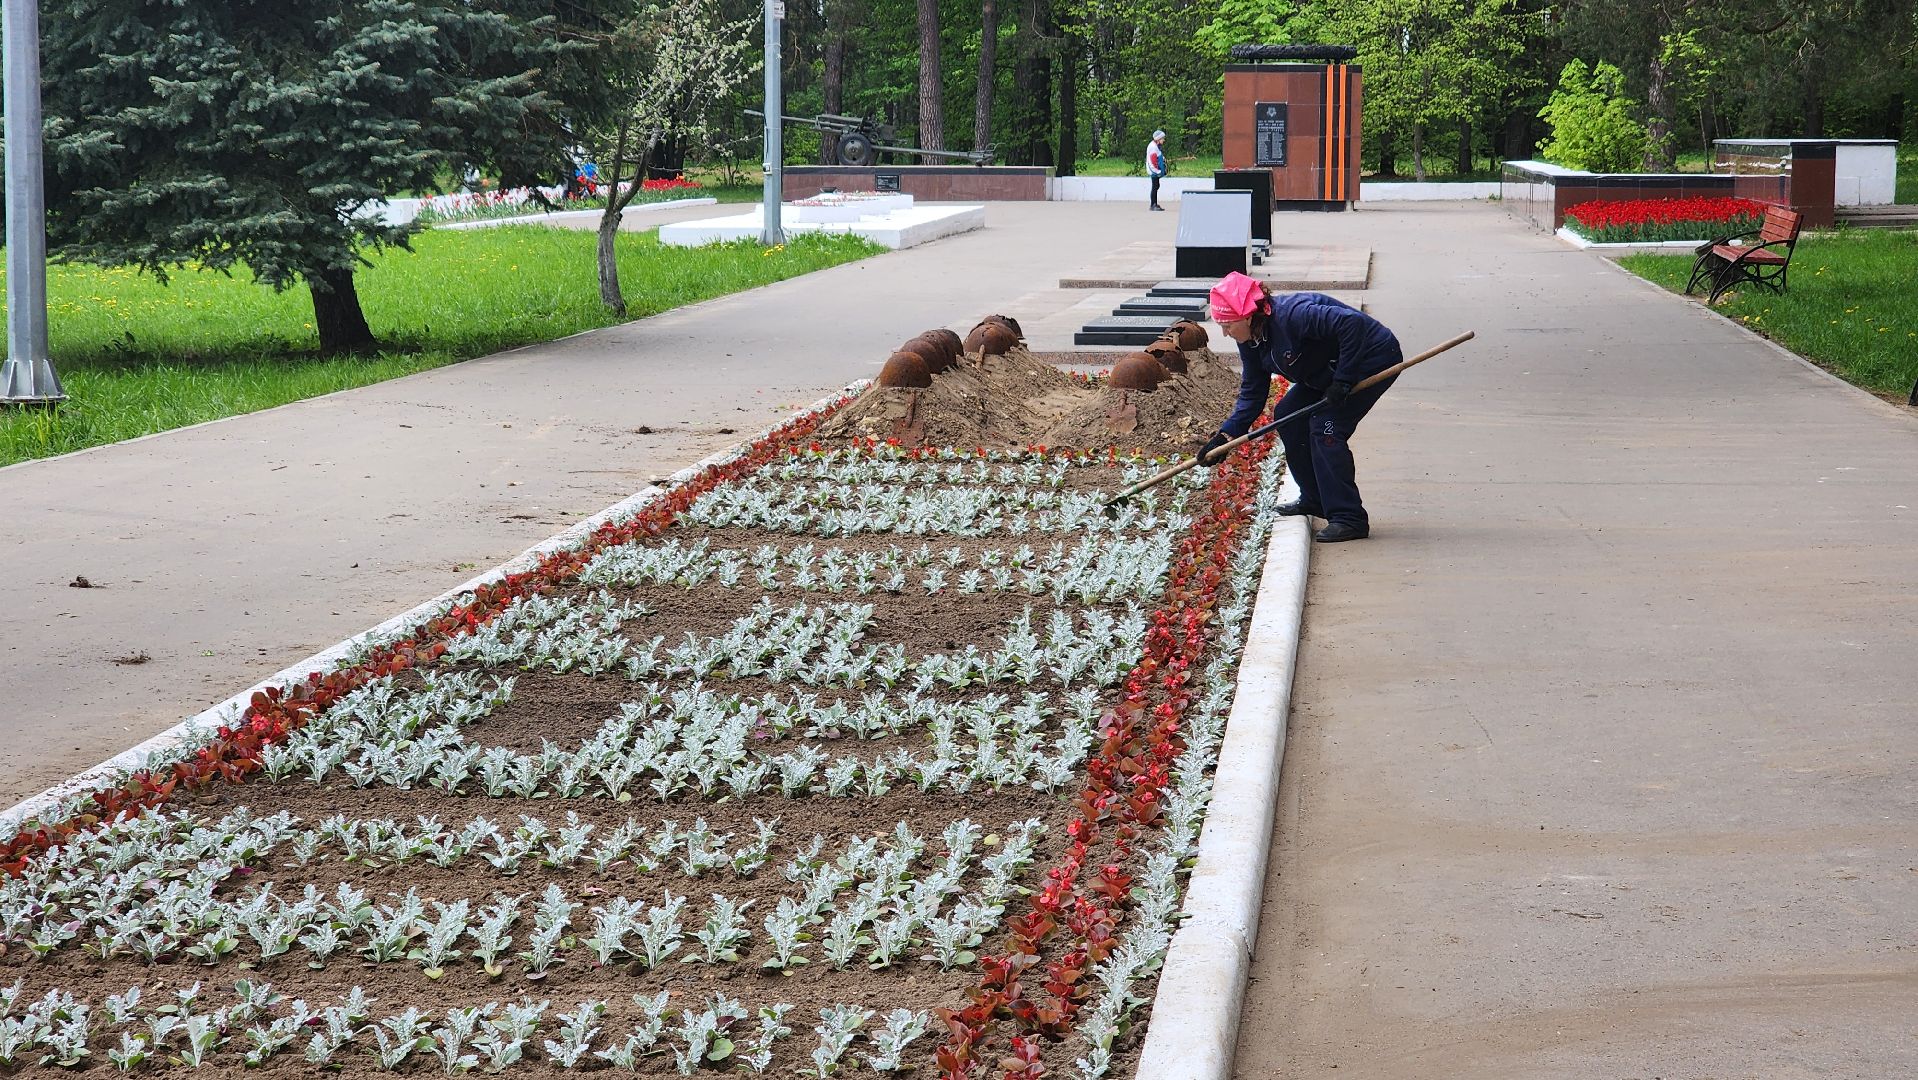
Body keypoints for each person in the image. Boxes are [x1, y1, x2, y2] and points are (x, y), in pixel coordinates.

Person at [1197, 272, 1403, 543]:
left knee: (1325, 427)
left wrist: (1343, 381)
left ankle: (1349, 517)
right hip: (1327, 371)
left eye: (1228, 325)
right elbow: (1253, 391)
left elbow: (1351, 325)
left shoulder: (1295, 316)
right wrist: (1225, 436)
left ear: (1247, 316)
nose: (1225, 332)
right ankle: (1315, 499)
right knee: (1287, 416)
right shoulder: (1250, 339)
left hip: (1371, 359)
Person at [1145, 130, 1168, 211]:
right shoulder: (1153, 147)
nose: (1163, 140)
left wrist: (1164, 159)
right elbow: (1152, 161)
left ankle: (1154, 203)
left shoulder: (1156, 146)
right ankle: (1153, 205)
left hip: (1155, 170)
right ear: (1158, 139)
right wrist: (1157, 171)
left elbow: (1159, 155)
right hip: (1154, 171)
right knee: (1155, 187)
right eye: (1162, 139)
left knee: (1156, 186)